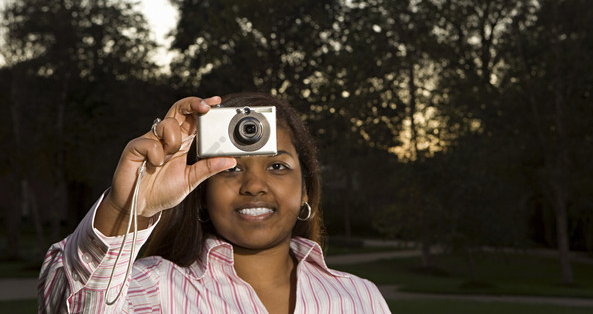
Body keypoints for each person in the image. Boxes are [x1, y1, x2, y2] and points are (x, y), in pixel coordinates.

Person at [38, 93, 391, 313]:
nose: (254, 185)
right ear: (202, 197)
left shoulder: (360, 299)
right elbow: (70, 304)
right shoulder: (155, 292)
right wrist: (126, 207)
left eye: (278, 166)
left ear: (306, 193)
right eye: (231, 168)